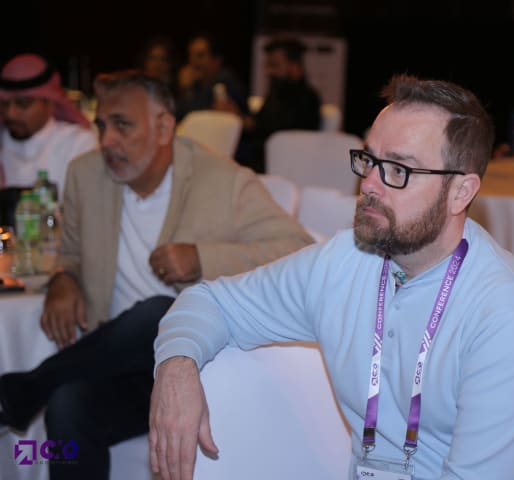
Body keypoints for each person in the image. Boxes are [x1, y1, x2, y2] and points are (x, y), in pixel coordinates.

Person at [150, 74, 514, 479]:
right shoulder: (346, 261)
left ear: (461, 192)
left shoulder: (511, 319)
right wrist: (176, 367)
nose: (369, 183)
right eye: (370, 159)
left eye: (399, 169)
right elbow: (209, 301)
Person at [0, 70, 313, 479]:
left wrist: (203, 259)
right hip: (120, 365)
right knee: (67, 404)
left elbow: (300, 252)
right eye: (101, 126)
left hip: (199, 371)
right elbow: (70, 251)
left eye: (122, 125)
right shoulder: (86, 174)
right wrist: (63, 277)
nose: (106, 140)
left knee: (164, 311)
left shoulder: (225, 181)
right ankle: (32, 391)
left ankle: (25, 389)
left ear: (164, 127)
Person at [0, 53, 97, 196]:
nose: (11, 114)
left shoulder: (78, 144)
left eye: (23, 103)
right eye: (4, 104)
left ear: (50, 102)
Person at [236, 35, 321, 173]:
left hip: (284, 168)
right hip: (261, 164)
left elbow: (286, 137)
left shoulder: (308, 100)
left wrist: (251, 125)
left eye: (275, 65)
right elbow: (260, 124)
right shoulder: (276, 93)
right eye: (268, 65)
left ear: (294, 66)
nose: (269, 71)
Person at [174, 32, 249, 122]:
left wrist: (187, 90)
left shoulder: (225, 81)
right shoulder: (198, 84)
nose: (193, 61)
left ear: (217, 60)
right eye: (190, 55)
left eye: (200, 56)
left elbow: (198, 116)